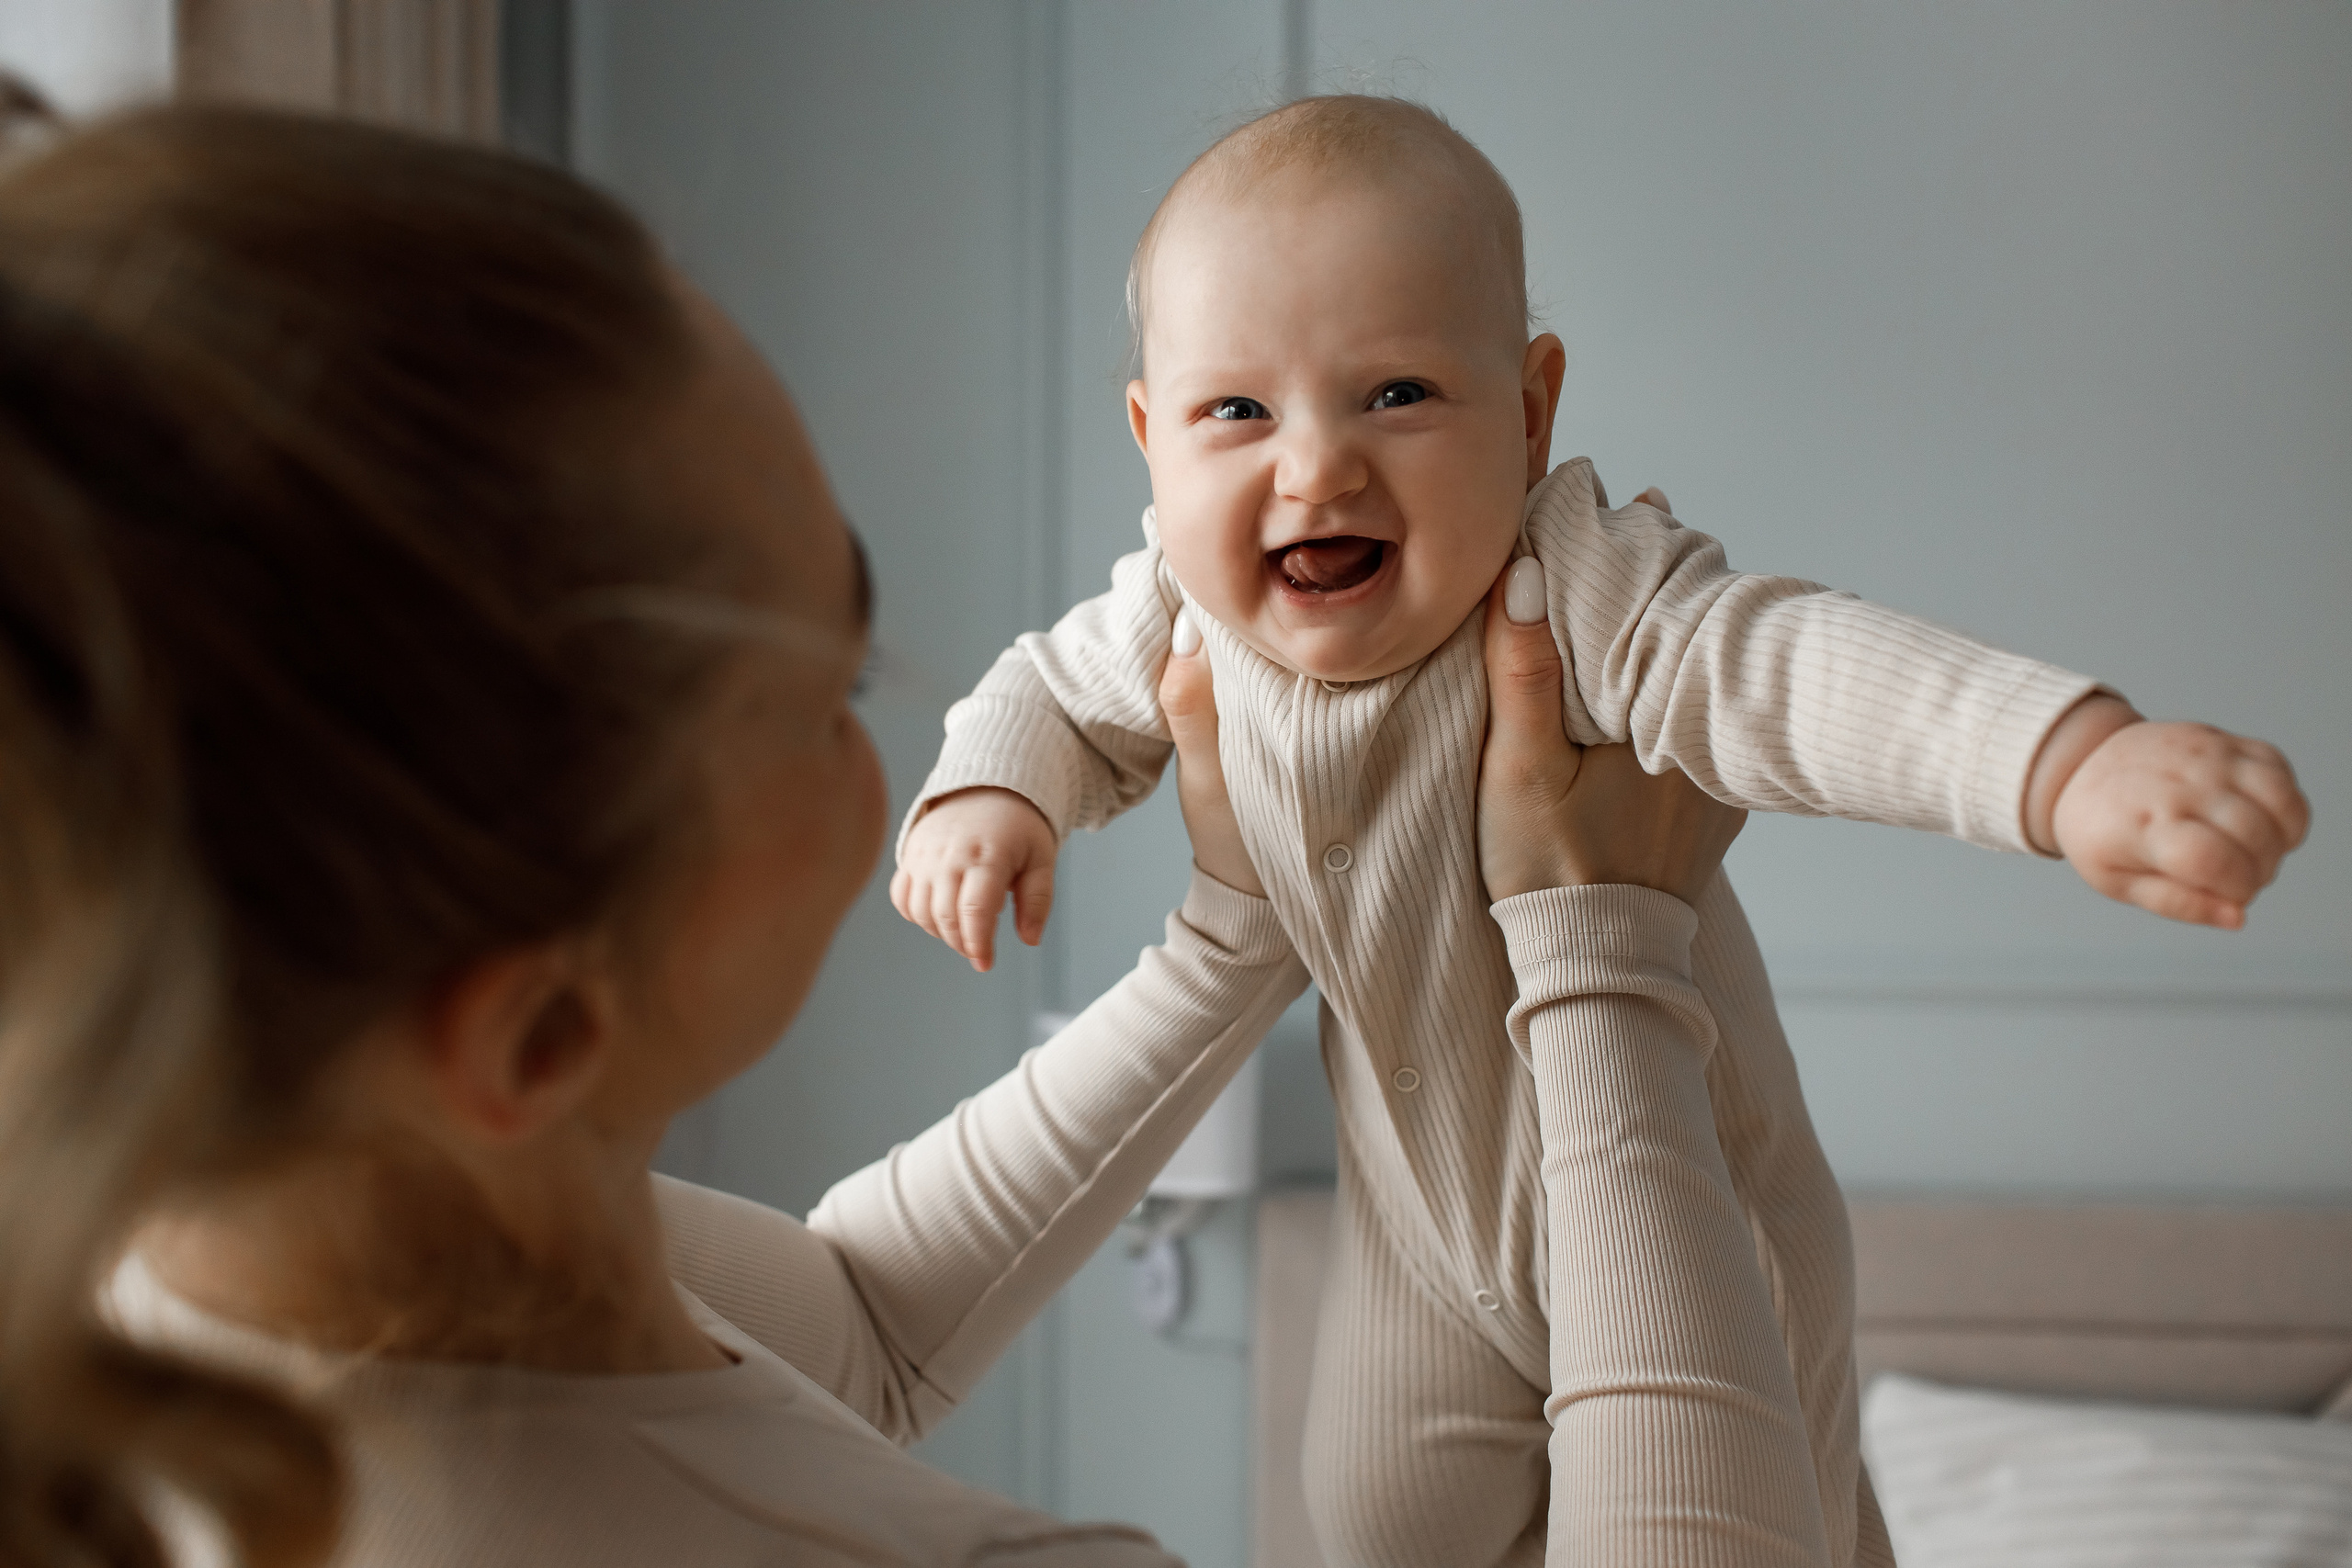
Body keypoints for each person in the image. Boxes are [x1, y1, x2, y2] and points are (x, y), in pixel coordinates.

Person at [0, 103, 1813, 1568]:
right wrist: (1598, 949)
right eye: (828, 690)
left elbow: (852, 1323)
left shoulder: (236, 1224)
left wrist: (1232, 925)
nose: (901, 722)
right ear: (539, 1027)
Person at [889, 94, 2312, 1567]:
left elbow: (1792, 668)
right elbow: (1047, 692)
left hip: (1686, 1190)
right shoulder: (1180, 617)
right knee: (1370, 1515)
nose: (1313, 467)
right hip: (1414, 1237)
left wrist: (2066, 764)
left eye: (1396, 396)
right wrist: (993, 793)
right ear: (1149, 439)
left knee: (1773, 1507)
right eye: (1236, 412)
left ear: (1528, 411)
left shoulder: (1575, 587)